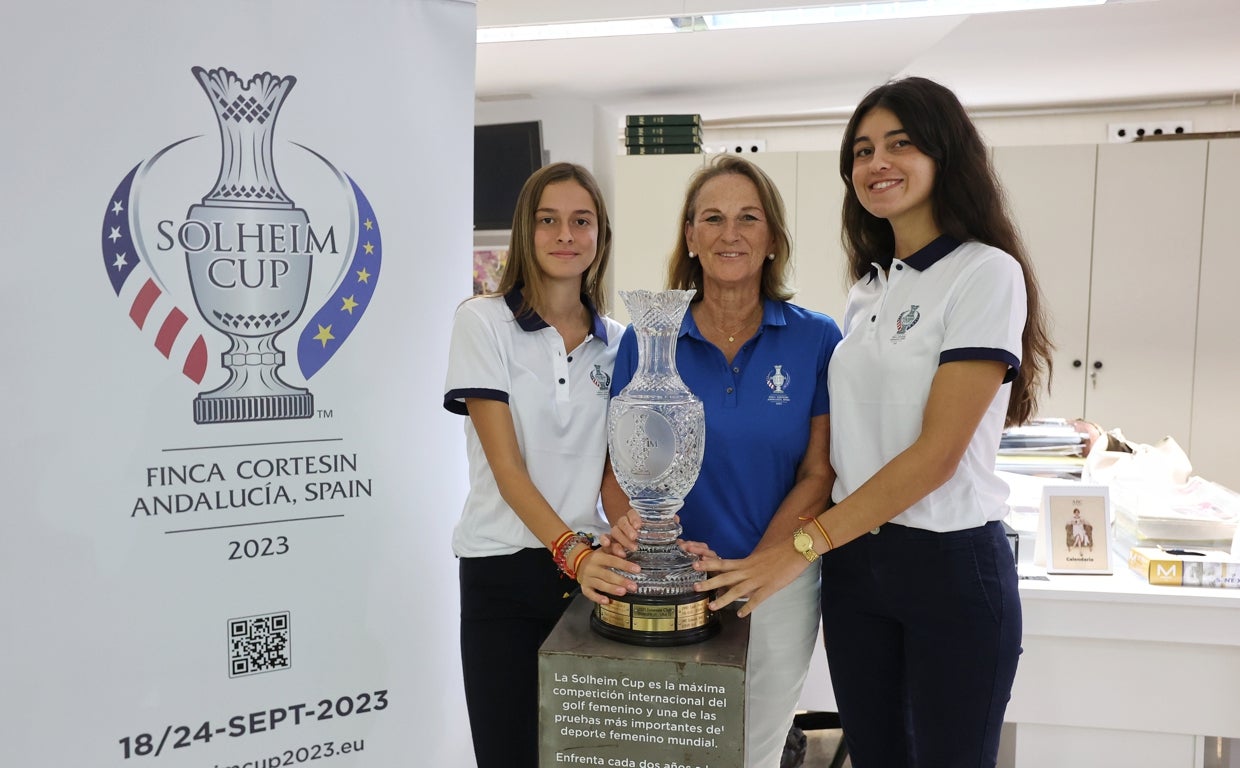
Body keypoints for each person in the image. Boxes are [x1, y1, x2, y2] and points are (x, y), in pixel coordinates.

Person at [697, 76, 1054, 767]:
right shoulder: (869, 289)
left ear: (945, 156)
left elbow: (937, 455)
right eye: (861, 150)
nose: (876, 163)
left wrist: (799, 547)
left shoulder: (985, 273)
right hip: (859, 568)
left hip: (948, 566)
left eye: (900, 144)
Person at [604, 154, 843, 768]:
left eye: (747, 218)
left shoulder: (816, 338)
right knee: (669, 754)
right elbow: (617, 471)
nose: (729, 233)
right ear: (690, 236)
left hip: (775, 580)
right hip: (668, 582)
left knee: (749, 753)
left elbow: (820, 473)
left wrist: (754, 568)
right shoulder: (647, 339)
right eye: (712, 218)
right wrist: (634, 529)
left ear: (771, 239)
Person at [443, 162, 638, 768]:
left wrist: (634, 523)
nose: (565, 235)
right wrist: (573, 553)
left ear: (600, 235)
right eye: (548, 220)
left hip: (589, 579)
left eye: (581, 221)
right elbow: (508, 468)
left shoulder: (622, 340)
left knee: (586, 758)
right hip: (502, 571)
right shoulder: (482, 322)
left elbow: (610, 468)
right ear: (525, 232)